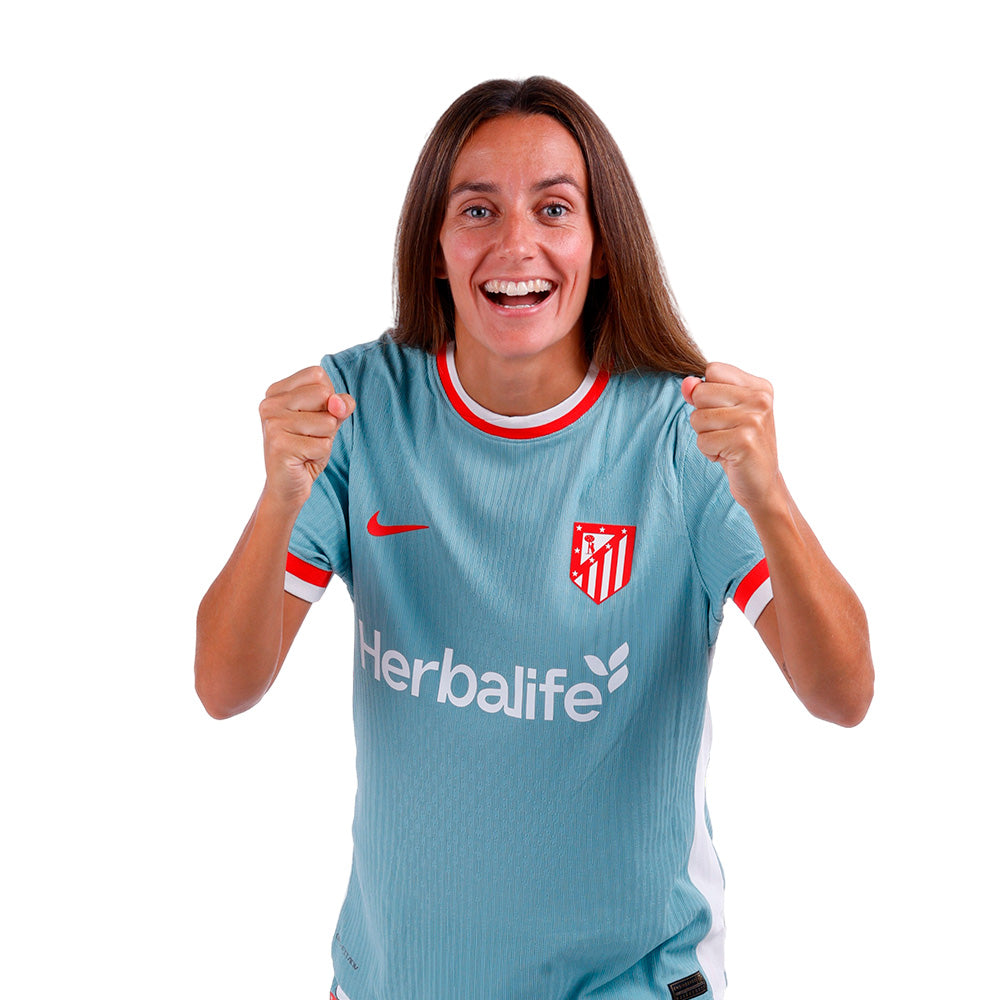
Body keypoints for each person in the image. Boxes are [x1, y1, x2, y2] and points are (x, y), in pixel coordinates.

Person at [195, 77, 873, 1000]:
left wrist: (771, 498)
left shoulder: (682, 430)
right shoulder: (357, 408)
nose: (516, 245)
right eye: (477, 210)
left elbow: (843, 695)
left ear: (602, 247)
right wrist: (277, 500)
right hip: (395, 980)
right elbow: (224, 687)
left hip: (628, 980)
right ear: (436, 248)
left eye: (554, 209)